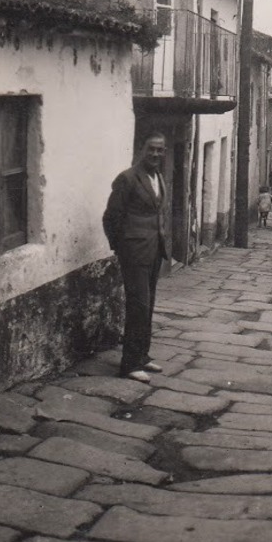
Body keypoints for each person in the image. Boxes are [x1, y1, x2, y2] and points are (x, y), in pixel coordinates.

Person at [102, 132, 169, 383]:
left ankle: (142, 355)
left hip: (153, 250)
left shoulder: (157, 177)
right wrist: (121, 247)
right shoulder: (128, 178)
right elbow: (111, 217)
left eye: (160, 150)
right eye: (151, 149)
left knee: (148, 305)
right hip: (134, 252)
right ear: (142, 149)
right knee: (138, 306)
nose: (155, 154)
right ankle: (129, 364)